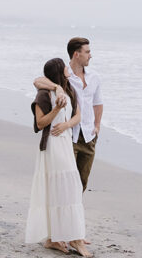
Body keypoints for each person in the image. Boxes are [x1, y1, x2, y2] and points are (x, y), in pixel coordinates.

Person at [25, 57, 92, 257]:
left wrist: (67, 125)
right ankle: (64, 238)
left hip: (64, 141)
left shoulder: (69, 89)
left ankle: (62, 236)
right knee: (62, 189)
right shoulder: (44, 95)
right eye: (64, 67)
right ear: (58, 72)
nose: (68, 69)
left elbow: (78, 115)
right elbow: (40, 124)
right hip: (52, 146)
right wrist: (56, 109)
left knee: (70, 187)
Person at [33, 37, 103, 192]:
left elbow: (97, 103)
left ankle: (75, 214)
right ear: (76, 54)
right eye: (87, 52)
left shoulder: (95, 77)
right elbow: (37, 81)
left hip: (89, 137)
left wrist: (97, 126)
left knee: (82, 182)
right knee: (66, 182)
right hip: (70, 137)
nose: (90, 55)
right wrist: (57, 87)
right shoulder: (64, 74)